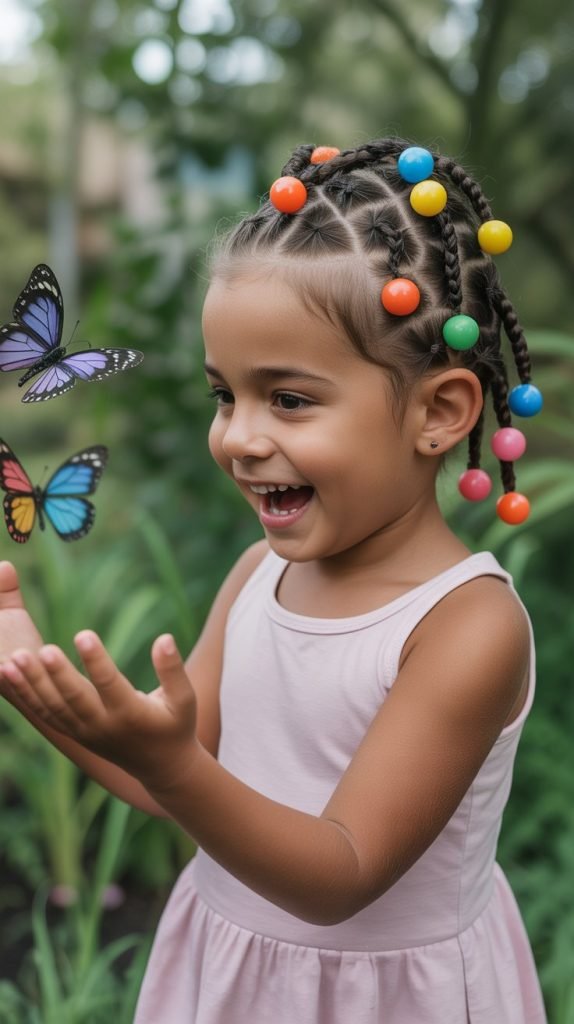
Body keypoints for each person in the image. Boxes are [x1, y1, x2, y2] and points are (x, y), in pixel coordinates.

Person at [0, 138, 548, 1023]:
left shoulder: (464, 628)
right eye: (225, 395)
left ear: (439, 412)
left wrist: (174, 766)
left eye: (288, 399)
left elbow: (340, 874)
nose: (239, 437)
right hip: (233, 980)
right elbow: (165, 773)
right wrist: (38, 682)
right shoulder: (259, 573)